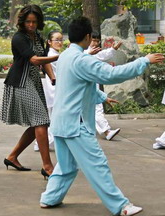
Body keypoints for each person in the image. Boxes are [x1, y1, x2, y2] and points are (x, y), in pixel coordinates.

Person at [39, 16, 164, 216]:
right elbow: (111, 74)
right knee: (97, 165)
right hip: (75, 124)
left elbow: (75, 85)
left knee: (66, 167)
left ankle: (49, 198)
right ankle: (120, 206)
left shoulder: (64, 57)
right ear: (88, 37)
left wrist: (102, 97)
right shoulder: (82, 60)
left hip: (61, 123)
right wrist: (144, 61)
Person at [0, 4, 58, 178]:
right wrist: (60, 56)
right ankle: (47, 166)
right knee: (41, 121)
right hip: (21, 82)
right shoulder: (19, 38)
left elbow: (44, 60)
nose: (31, 25)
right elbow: (34, 59)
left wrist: (52, 76)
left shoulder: (38, 37)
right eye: (28, 22)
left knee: (37, 124)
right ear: (22, 22)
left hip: (34, 81)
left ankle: (12, 157)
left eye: (34, 22)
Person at [86, 31, 122, 141]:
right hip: (84, 85)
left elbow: (104, 55)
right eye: (93, 40)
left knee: (97, 109)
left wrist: (113, 49)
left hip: (92, 86)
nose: (95, 43)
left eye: (97, 41)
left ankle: (107, 131)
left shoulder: (95, 53)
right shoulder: (82, 52)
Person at [34, 30, 63, 152]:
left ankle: (42, 143)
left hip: (55, 91)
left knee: (54, 119)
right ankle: (40, 143)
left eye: (61, 40)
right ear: (49, 42)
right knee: (53, 120)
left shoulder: (54, 53)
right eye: (57, 40)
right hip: (54, 91)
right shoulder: (51, 55)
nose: (60, 42)